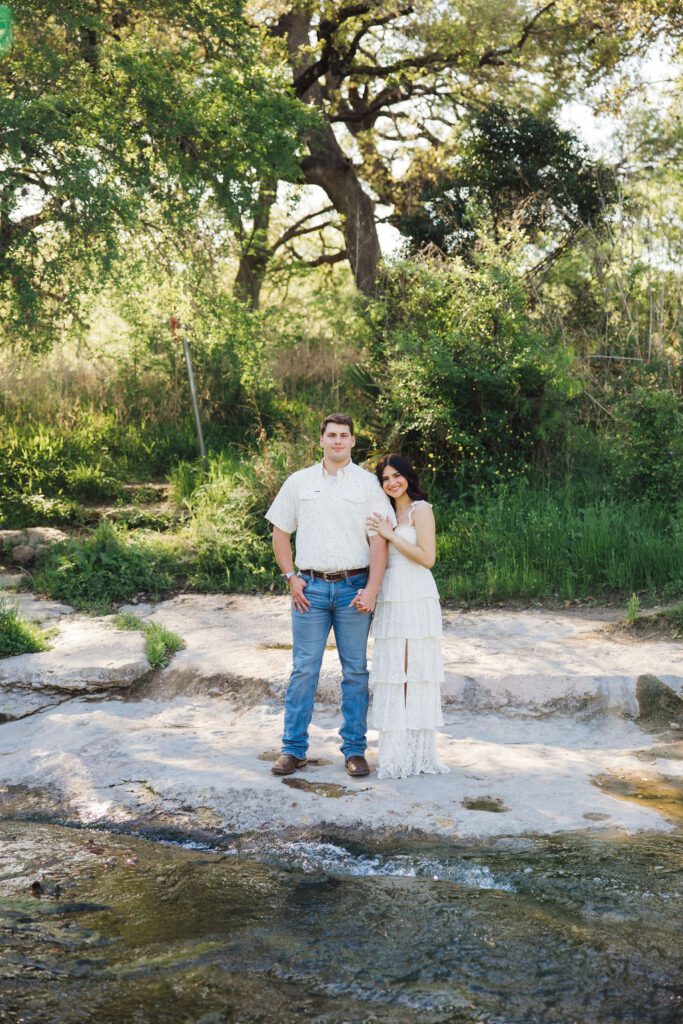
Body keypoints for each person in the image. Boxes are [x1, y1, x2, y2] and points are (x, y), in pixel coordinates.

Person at [265, 413, 394, 778]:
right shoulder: (299, 482)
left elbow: (379, 540)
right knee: (304, 670)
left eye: (344, 436)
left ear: (353, 441)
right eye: (331, 435)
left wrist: (372, 588)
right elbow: (279, 533)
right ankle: (293, 750)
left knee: (355, 671)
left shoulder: (369, 485)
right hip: (311, 589)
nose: (338, 441)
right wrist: (290, 577)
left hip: (355, 588)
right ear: (321, 440)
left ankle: (354, 751)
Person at [366, 454, 449, 780]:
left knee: (413, 671)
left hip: (416, 594)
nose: (392, 482)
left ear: (408, 477)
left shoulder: (421, 509)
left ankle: (417, 754)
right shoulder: (386, 511)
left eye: (397, 475)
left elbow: (427, 558)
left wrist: (392, 535)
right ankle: (395, 755)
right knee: (392, 672)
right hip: (391, 595)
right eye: (385, 478)